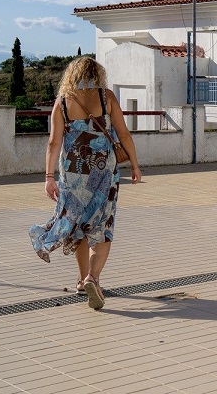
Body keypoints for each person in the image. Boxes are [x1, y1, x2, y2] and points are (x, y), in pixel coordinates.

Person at [30, 56, 142, 311]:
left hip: (73, 173)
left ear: (72, 74)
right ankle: (93, 277)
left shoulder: (62, 102)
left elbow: (53, 143)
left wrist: (49, 178)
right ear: (97, 74)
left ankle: (82, 280)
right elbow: (123, 134)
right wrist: (134, 165)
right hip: (104, 172)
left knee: (79, 224)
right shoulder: (107, 97)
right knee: (102, 225)